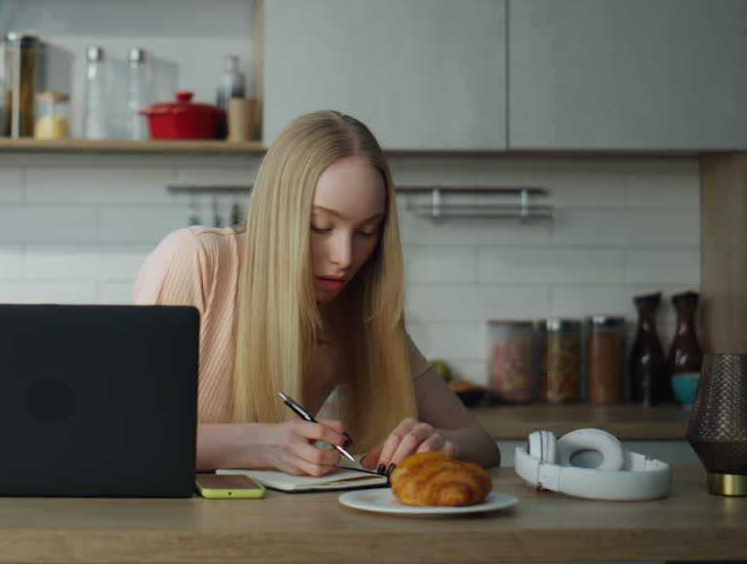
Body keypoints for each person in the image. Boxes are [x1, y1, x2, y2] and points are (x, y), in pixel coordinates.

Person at [134, 110, 499, 477]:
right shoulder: (197, 259)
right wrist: (264, 445)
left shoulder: (358, 309)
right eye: (320, 226)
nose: (344, 258)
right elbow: (128, 435)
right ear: (279, 215)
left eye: (367, 231)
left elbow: (481, 443)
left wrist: (440, 445)